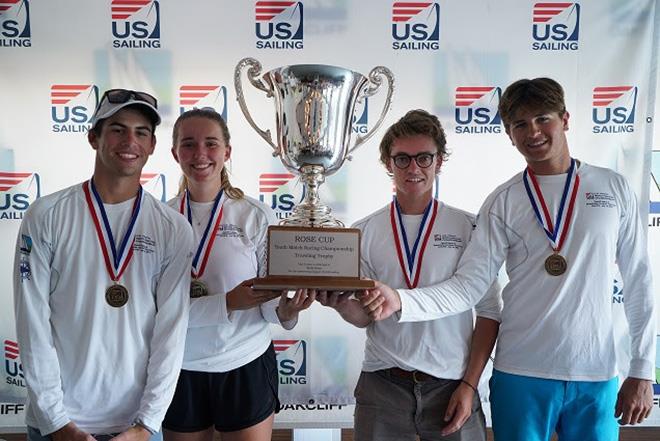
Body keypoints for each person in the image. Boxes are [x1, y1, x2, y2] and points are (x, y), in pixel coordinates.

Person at [360, 79, 656, 440]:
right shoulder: (503, 201)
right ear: (509, 134)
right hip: (520, 372)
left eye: (542, 119)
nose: (533, 131)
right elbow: (469, 286)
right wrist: (401, 299)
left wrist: (642, 367)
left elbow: (639, 278)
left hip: (595, 373)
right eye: (520, 124)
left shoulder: (613, 188)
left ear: (565, 119)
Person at [13, 89, 194, 441]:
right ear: (93, 137)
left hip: (135, 426)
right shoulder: (47, 214)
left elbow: (170, 334)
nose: (130, 141)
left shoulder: (172, 228)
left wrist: (146, 425)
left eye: (142, 132)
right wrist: (57, 423)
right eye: (117, 129)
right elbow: (32, 324)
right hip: (57, 425)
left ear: (153, 145)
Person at [318, 110, 502, 440]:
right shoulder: (362, 232)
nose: (413, 168)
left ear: (440, 161)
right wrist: (339, 304)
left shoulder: (470, 227)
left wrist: (470, 385)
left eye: (423, 158)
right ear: (388, 163)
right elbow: (365, 317)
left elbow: (488, 312)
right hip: (383, 384)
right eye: (402, 159)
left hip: (452, 383)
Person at [162, 108, 315, 441]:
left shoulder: (256, 215)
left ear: (227, 152)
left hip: (245, 362)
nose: (200, 154)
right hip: (180, 366)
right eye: (188, 144)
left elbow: (266, 304)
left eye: (211, 143)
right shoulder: (160, 220)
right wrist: (228, 302)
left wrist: (287, 311)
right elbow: (155, 310)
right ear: (175, 154)